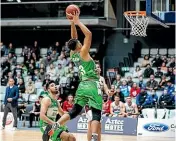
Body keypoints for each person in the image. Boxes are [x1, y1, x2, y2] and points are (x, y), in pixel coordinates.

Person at [55, 12, 102, 141]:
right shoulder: (83, 52)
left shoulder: (72, 54)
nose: (81, 42)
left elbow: (73, 38)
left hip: (81, 86)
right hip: (92, 84)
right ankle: (94, 137)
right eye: (79, 42)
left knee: (75, 110)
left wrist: (71, 22)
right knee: (96, 113)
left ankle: (56, 124)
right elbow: (89, 34)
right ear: (79, 45)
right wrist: (78, 22)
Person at [86, 62, 110, 141]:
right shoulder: (90, 78)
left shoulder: (102, 79)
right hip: (90, 103)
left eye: (98, 67)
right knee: (91, 124)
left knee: (98, 126)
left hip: (99, 104)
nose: (97, 69)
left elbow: (106, 89)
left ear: (100, 69)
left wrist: (109, 92)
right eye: (95, 67)